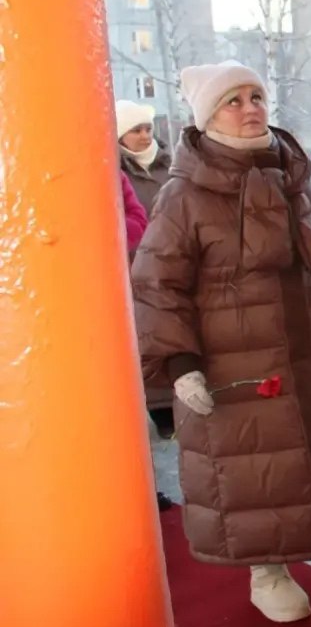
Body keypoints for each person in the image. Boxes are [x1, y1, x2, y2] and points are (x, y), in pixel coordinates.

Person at [131, 60, 311, 625]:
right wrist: (180, 363)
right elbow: (157, 282)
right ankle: (267, 574)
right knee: (256, 475)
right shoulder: (184, 195)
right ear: (208, 115)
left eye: (256, 96)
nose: (251, 108)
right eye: (234, 100)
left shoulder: (293, 179)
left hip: (310, 359)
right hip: (235, 368)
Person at [117, 99, 178, 440]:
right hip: (135, 264)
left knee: (175, 327)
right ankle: (161, 410)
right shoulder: (115, 171)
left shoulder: (170, 165)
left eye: (147, 129)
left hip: (173, 257)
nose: (144, 136)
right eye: (135, 130)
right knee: (148, 336)